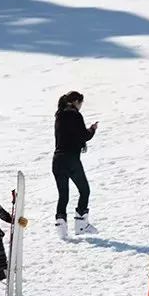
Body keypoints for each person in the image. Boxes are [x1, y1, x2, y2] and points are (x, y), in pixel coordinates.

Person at [53, 91, 99, 239]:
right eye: (81, 103)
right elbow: (83, 135)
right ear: (76, 101)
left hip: (57, 160)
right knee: (84, 190)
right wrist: (92, 129)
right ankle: (81, 225)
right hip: (71, 159)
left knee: (63, 195)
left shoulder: (59, 115)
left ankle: (61, 229)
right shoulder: (75, 115)